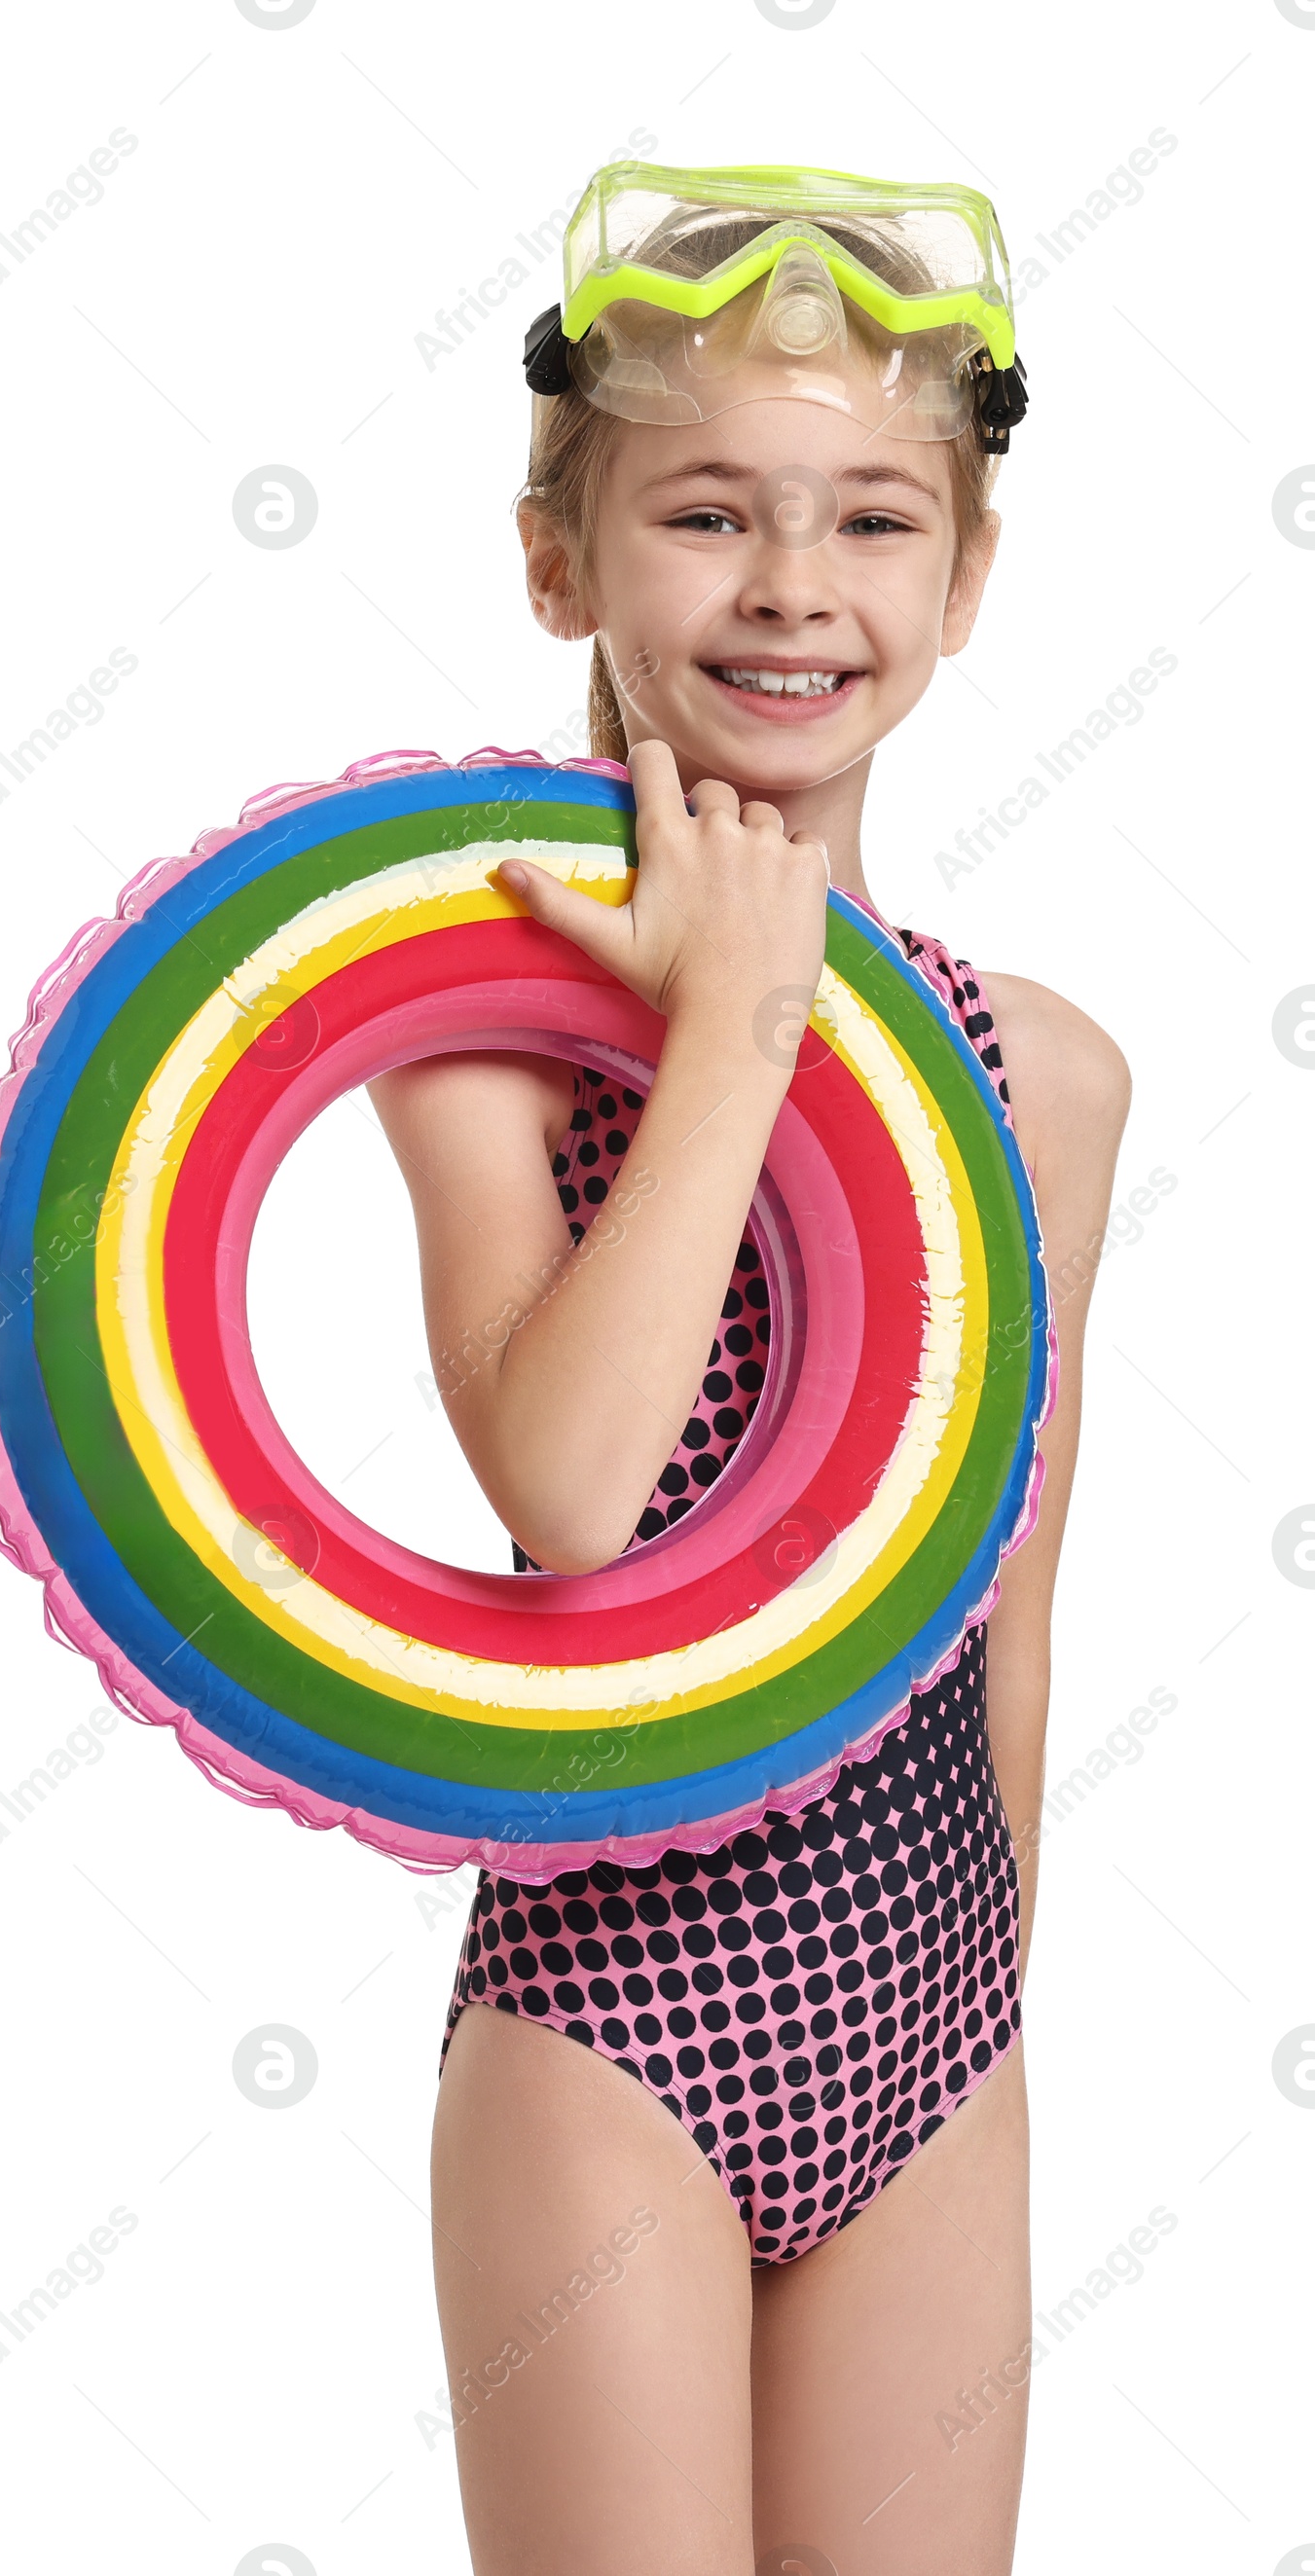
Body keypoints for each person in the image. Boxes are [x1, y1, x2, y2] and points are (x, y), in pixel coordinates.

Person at [370, 163, 1131, 2576]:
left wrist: (984, 2014)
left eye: (870, 521)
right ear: (556, 564)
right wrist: (734, 1021)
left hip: (924, 2002)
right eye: (705, 512)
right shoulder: (477, 1044)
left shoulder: (1049, 1077)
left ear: (961, 581)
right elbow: (579, 1491)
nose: (794, 586)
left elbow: (1002, 1590)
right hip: (612, 2016)